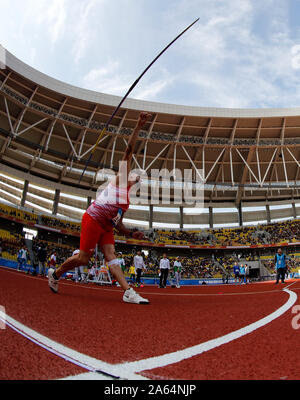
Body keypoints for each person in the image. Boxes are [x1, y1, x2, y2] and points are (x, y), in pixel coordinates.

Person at [48, 112, 152, 305]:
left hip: (106, 227)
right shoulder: (120, 180)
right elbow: (128, 151)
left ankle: (128, 292)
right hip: (93, 219)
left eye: (135, 176)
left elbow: (117, 223)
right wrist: (139, 125)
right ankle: (55, 274)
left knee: (111, 256)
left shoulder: (126, 201)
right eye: (132, 173)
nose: (133, 176)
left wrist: (132, 233)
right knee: (83, 259)